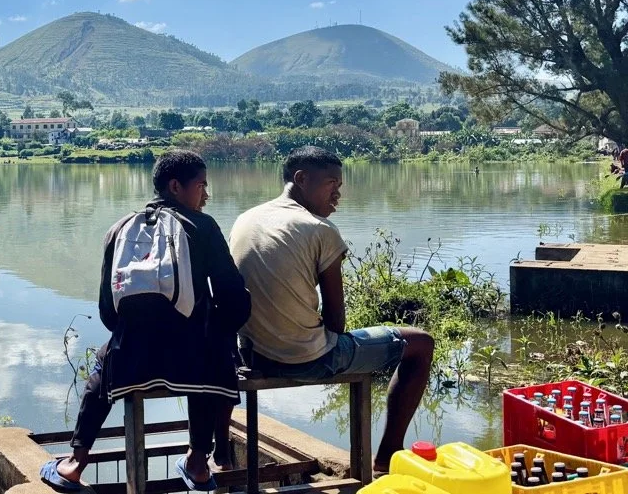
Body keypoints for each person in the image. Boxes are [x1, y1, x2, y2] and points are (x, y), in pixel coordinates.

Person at [41, 150, 251, 492]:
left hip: (131, 361)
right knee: (214, 343)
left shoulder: (119, 229)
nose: (206, 195)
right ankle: (199, 463)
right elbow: (233, 299)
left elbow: (109, 313)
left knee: (103, 363)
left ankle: (75, 462)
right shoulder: (203, 226)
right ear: (175, 186)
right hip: (195, 364)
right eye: (201, 186)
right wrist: (216, 331)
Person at [229, 146, 434, 474]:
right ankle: (385, 460)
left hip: (253, 357)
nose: (338, 193)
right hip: (305, 360)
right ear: (300, 179)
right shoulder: (319, 229)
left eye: (339, 185)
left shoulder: (245, 219)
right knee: (421, 343)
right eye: (330, 184)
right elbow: (337, 325)